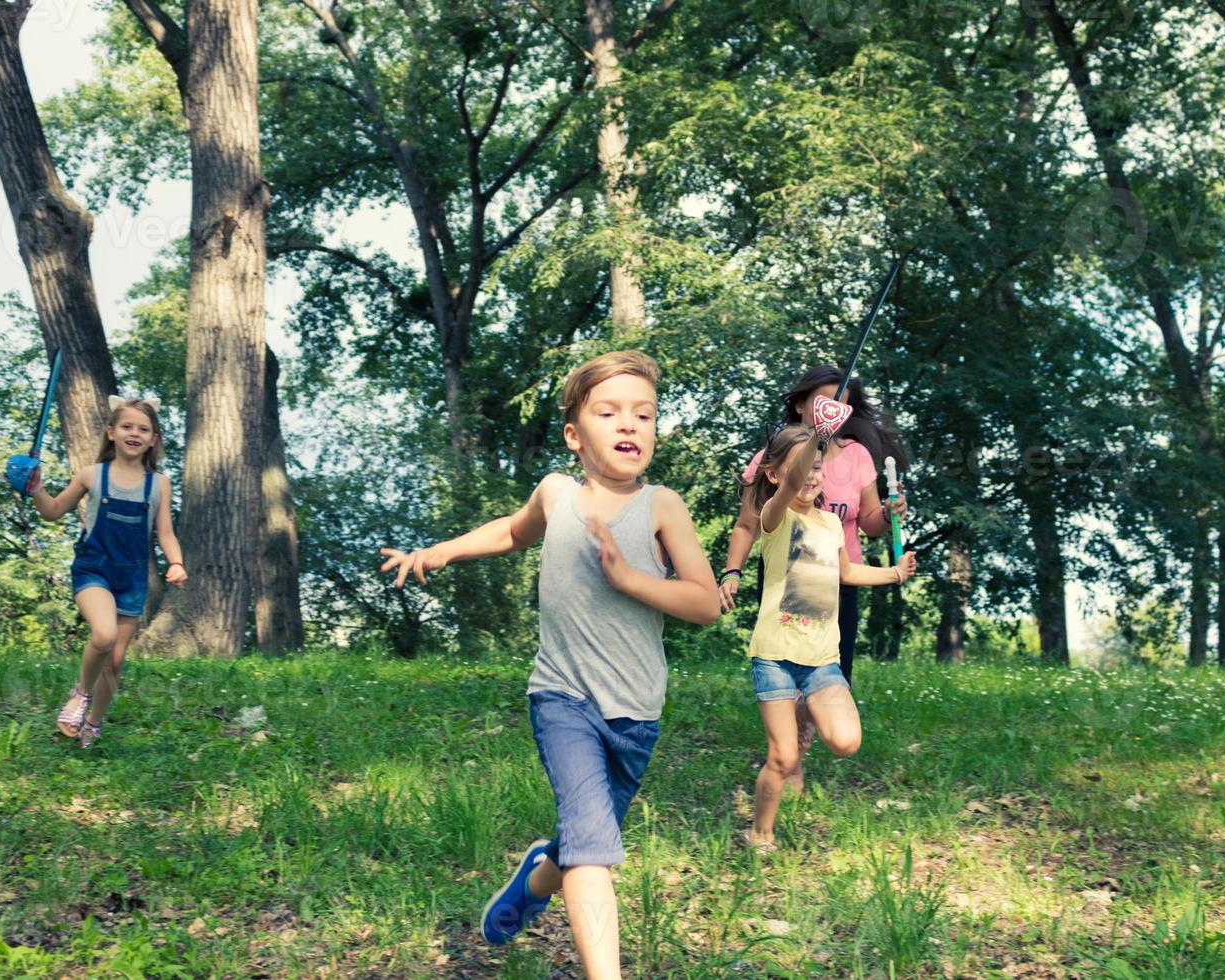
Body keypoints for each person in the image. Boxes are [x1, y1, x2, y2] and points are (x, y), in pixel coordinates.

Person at [380, 351, 718, 980]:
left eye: (643, 414)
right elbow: (511, 531)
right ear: (573, 434)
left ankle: (536, 882)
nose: (630, 424)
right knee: (594, 853)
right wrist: (440, 552)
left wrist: (630, 578)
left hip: (636, 713)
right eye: (609, 411)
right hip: (563, 700)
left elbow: (704, 603)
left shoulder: (662, 506)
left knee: (582, 845)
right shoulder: (557, 493)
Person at [719, 366, 908, 786]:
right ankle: (790, 759)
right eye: (824, 400)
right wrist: (733, 570)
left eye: (841, 402)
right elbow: (749, 523)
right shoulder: (776, 454)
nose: (834, 409)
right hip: (789, 578)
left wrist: (890, 514)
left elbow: (870, 522)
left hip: (842, 578)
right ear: (803, 404)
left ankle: (801, 724)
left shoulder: (857, 456)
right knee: (789, 658)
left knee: (832, 672)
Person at [740, 424, 916, 851]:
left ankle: (803, 711)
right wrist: (811, 443)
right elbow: (779, 501)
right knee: (782, 757)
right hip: (776, 656)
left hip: (822, 660)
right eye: (800, 468)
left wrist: (894, 573)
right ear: (775, 476)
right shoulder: (776, 519)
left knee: (846, 741)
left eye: (817, 466)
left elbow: (847, 572)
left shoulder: (832, 525)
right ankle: (760, 833)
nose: (812, 475)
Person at [24, 396, 186, 748]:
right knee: (103, 635)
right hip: (93, 568)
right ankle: (80, 695)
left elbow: (165, 532)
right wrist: (36, 488)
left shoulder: (158, 483)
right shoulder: (91, 475)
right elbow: (52, 511)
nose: (134, 433)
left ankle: (92, 724)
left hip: (131, 576)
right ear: (111, 432)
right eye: (127, 426)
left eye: (144, 429)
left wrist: (176, 562)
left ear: (154, 439)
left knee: (114, 662)